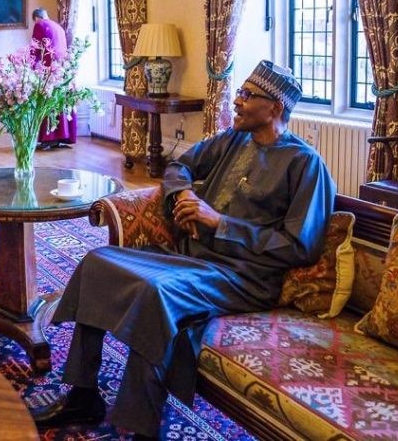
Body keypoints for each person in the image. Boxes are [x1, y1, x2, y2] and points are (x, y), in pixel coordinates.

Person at [31, 61, 335, 440]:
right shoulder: (232, 140)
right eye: (239, 93)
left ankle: (142, 427)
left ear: (274, 109)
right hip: (193, 258)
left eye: (247, 95)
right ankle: (83, 394)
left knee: (156, 293)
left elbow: (300, 246)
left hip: (243, 277)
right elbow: (180, 165)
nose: (236, 101)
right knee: (99, 262)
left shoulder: (306, 164)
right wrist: (186, 194)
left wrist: (219, 222)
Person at [31, 7, 77, 150]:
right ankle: (62, 136)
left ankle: (49, 138)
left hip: (49, 70)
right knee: (60, 102)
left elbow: (35, 48)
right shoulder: (59, 27)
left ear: (36, 18)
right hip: (63, 70)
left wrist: (31, 67)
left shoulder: (39, 25)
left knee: (47, 102)